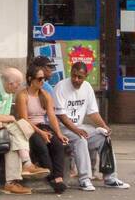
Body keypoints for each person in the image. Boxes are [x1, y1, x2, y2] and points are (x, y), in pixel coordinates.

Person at [54, 62, 130, 191]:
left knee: (103, 137)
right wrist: (77, 130)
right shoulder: (60, 87)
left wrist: (104, 126)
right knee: (80, 138)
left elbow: (93, 112)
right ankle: (84, 179)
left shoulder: (87, 87)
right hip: (62, 128)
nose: (76, 80)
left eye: (80, 77)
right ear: (70, 73)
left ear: (86, 76)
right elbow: (61, 116)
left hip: (79, 126)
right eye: (74, 76)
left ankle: (110, 177)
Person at [16, 63, 68, 194]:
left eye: (44, 78)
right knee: (41, 146)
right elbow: (24, 120)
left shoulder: (45, 95)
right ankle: (51, 179)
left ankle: (58, 178)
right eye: (39, 79)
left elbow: (51, 116)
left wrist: (58, 133)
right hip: (29, 128)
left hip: (43, 126)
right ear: (30, 79)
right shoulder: (23, 95)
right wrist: (41, 133)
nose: (42, 81)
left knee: (58, 145)